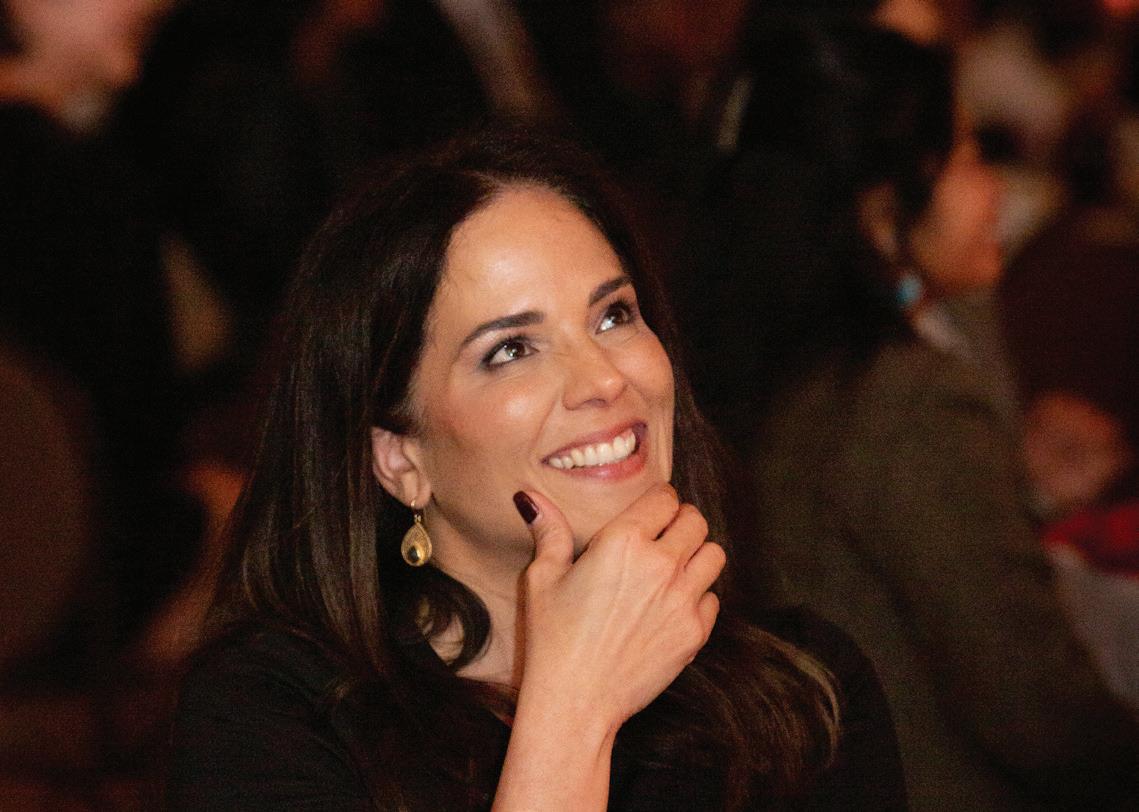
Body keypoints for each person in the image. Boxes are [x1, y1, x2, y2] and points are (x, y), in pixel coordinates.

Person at [166, 127, 906, 809]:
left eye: (613, 316)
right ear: (399, 458)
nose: (604, 380)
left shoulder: (802, 697)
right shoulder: (273, 720)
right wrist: (574, 709)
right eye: (511, 350)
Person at [679, 21, 1139, 809]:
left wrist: (1020, 490)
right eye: (965, 158)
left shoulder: (774, 356)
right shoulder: (902, 394)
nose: (994, 190)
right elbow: (1040, 718)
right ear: (881, 208)